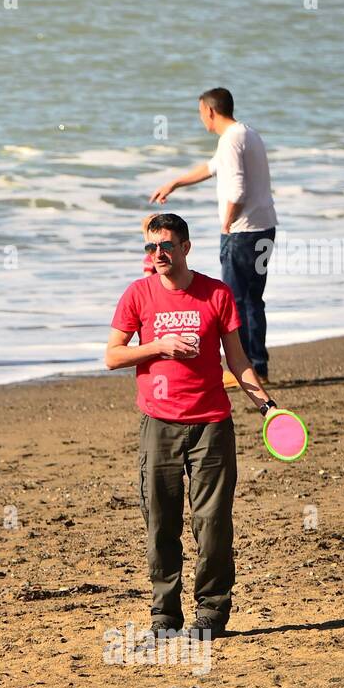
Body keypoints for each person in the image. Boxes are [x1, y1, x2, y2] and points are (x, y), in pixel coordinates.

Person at [105, 213, 278, 637]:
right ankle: (165, 616)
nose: (158, 254)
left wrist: (267, 405)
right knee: (161, 522)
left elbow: (237, 360)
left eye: (165, 245)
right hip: (158, 424)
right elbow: (111, 355)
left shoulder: (216, 294)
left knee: (213, 522)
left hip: (211, 424)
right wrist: (158, 346)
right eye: (150, 247)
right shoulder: (138, 294)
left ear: (185, 247)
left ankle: (212, 614)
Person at [149, 88, 277, 385]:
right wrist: (175, 183)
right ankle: (258, 365)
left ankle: (242, 370)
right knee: (252, 300)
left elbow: (237, 189)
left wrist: (227, 223)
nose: (200, 118)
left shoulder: (230, 140)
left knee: (233, 302)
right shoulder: (246, 133)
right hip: (264, 227)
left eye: (199, 113)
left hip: (242, 232)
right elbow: (211, 168)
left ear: (209, 111)